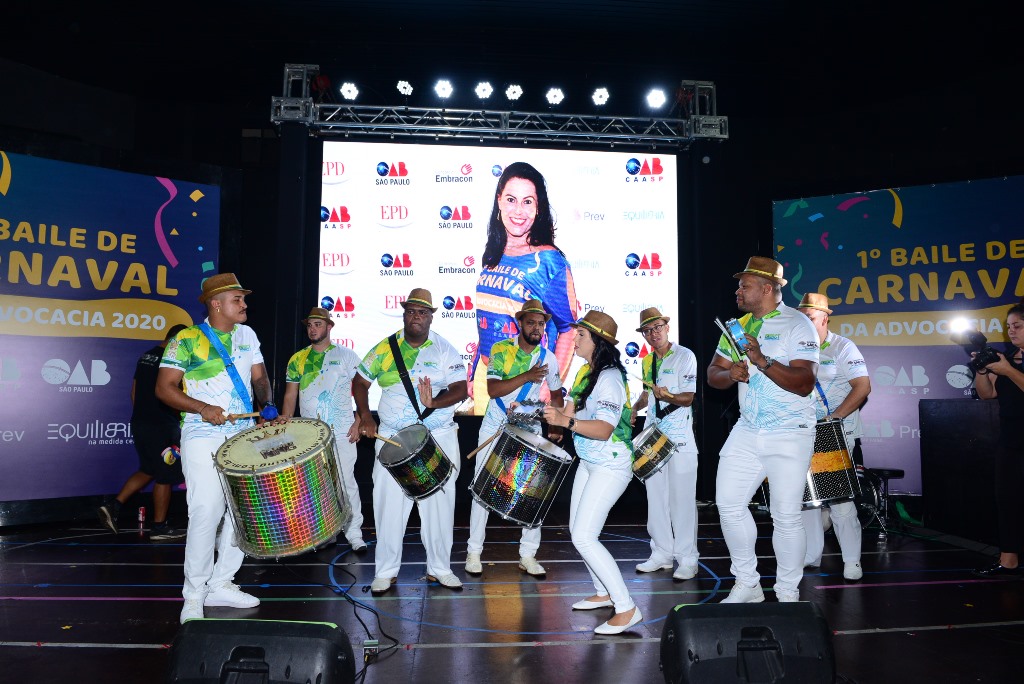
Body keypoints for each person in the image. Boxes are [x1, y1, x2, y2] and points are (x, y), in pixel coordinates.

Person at [155, 273, 281, 623]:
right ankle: (194, 594)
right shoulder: (186, 339)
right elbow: (164, 388)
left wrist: (268, 406)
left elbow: (259, 377)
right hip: (201, 433)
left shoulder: (247, 335)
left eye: (243, 298)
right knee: (207, 510)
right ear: (216, 303)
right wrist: (202, 407)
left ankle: (221, 583)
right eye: (237, 299)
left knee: (242, 512)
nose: (244, 304)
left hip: (242, 433)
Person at [706, 257, 819, 603]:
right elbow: (713, 374)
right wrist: (730, 374)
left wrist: (761, 361)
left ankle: (787, 593)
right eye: (739, 285)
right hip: (748, 428)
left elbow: (805, 382)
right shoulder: (736, 327)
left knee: (786, 516)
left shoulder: (798, 324)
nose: (737, 291)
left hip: (790, 431)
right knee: (728, 505)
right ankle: (748, 583)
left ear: (767, 288)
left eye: (745, 285)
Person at [352, 288, 468, 594]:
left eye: (422, 312)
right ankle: (385, 572)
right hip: (392, 436)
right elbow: (360, 382)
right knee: (389, 506)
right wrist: (364, 416)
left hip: (437, 437)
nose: (416, 317)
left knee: (439, 507)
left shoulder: (444, 349)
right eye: (411, 311)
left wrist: (435, 402)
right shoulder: (385, 348)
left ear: (431, 317)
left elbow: (461, 389)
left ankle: (440, 569)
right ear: (404, 315)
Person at [543, 311, 642, 635]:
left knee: (584, 536)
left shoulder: (610, 378)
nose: (575, 339)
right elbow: (568, 412)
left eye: (581, 335)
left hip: (611, 463)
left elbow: (603, 429)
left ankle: (626, 607)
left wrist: (565, 422)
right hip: (589, 461)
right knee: (578, 530)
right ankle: (603, 592)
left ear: (598, 342)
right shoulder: (585, 371)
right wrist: (539, 412)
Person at [466, 299, 564, 578]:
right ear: (520, 323)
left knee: (531, 490)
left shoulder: (549, 358)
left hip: (529, 427)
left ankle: (528, 554)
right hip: (495, 424)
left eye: (541, 324)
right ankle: (474, 552)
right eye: (531, 322)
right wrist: (528, 376)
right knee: (482, 490)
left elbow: (556, 395)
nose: (536, 328)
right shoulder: (501, 349)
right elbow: (494, 390)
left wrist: (557, 424)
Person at [472, 162, 578, 413]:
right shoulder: (493, 254)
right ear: (499, 201)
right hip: (487, 378)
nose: (518, 210)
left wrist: (549, 386)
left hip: (526, 381)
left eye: (528, 201)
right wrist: (475, 368)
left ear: (538, 208)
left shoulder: (549, 260)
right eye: (511, 199)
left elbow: (569, 329)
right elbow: (490, 317)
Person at [797, 293, 870, 581]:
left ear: (825, 318)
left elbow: (862, 386)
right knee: (807, 497)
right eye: (802, 318)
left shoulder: (842, 347)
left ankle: (852, 561)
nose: (805, 323)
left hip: (835, 431)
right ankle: (811, 555)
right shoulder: (796, 348)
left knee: (839, 499)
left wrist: (835, 417)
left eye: (810, 318)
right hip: (802, 430)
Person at [281, 307, 366, 552]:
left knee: (346, 482)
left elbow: (362, 389)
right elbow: (290, 396)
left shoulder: (347, 356)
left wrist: (359, 421)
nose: (312, 329)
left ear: (329, 327)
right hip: (311, 435)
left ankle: (354, 533)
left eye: (318, 324)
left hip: (342, 431)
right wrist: (286, 423)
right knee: (317, 485)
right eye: (310, 325)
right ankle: (326, 533)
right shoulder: (297, 359)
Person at [96, 323, 188, 541]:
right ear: (177, 340)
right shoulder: (171, 361)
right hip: (162, 425)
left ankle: (114, 505)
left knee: (148, 469)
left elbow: (134, 392)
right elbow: (172, 395)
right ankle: (159, 527)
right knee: (165, 475)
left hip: (140, 422)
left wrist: (143, 416)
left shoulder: (146, 356)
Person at [630, 308, 700, 580]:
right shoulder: (647, 361)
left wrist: (667, 395)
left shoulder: (685, 356)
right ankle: (661, 553)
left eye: (657, 327)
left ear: (667, 328)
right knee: (656, 499)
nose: (653, 334)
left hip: (679, 438)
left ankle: (687, 559)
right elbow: (647, 395)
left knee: (682, 501)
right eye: (647, 331)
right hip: (653, 438)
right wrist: (635, 407)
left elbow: (688, 398)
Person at [971, 298, 1024, 579]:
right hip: (1011, 440)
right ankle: (1008, 560)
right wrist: (982, 369)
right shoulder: (1007, 359)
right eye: (1009, 326)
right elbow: (986, 394)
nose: (1011, 331)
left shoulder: (1008, 366)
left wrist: (1008, 371)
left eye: (1018, 326)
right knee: (1007, 499)